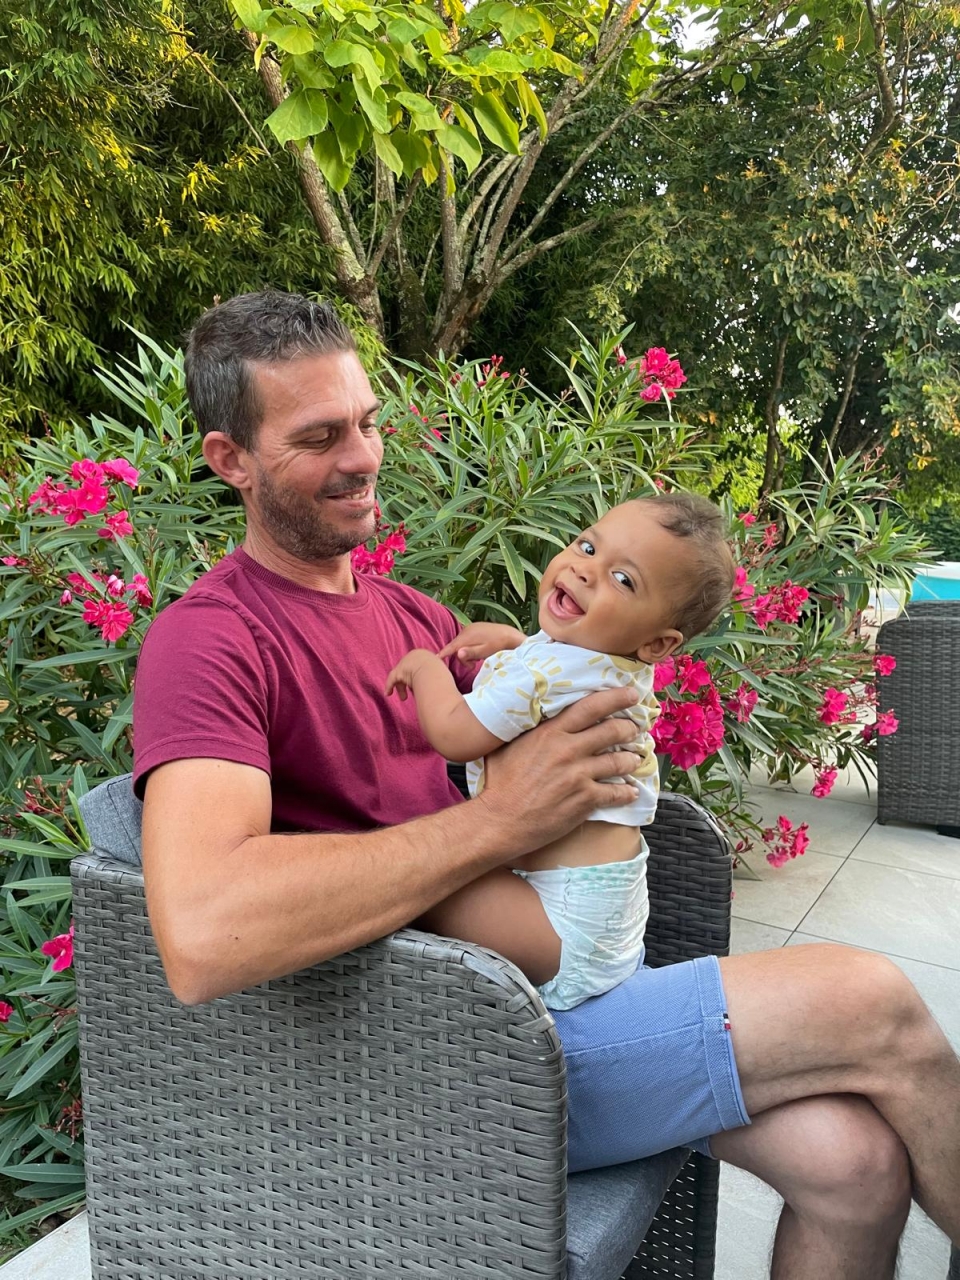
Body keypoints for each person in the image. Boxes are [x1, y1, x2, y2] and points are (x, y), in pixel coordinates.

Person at [134, 291, 960, 1280]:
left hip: (538, 985)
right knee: (873, 998)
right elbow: (203, 935)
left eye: (367, 422)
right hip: (442, 1061)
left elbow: (551, 687)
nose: (362, 456)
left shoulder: (411, 617)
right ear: (231, 458)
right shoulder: (211, 639)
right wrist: (500, 820)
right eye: (319, 437)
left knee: (855, 1164)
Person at [383, 494, 735, 1010]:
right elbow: (554, 670)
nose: (586, 570)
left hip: (554, 927)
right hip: (604, 919)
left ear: (659, 645)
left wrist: (425, 668)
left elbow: (457, 733)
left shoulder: (548, 676)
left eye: (623, 579)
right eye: (588, 546)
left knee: (419, 884)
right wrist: (514, 643)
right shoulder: (610, 662)